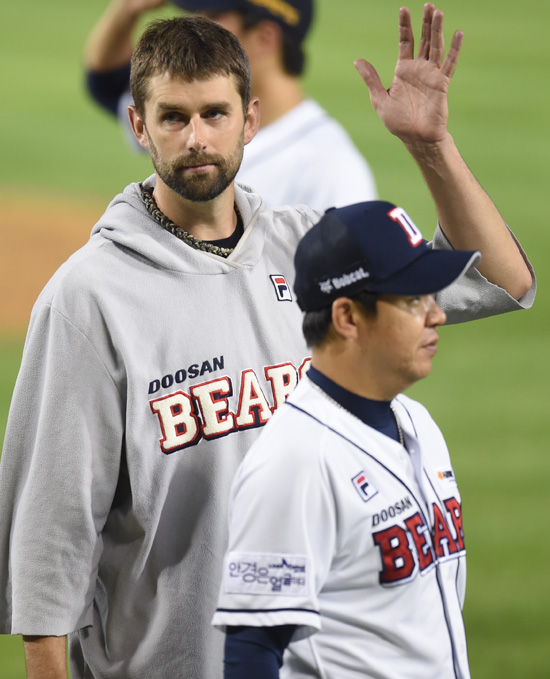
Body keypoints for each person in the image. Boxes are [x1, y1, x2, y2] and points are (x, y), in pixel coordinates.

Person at [0, 6, 534, 679]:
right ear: (140, 126)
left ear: (250, 119)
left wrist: (432, 147)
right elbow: (48, 546)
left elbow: (495, 280)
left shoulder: (306, 248)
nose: (197, 137)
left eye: (215, 114)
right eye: (173, 117)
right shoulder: (89, 299)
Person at [212, 200, 482, 679]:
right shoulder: (293, 463)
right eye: (414, 299)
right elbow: (252, 649)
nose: (437, 315)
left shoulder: (417, 423)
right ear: (348, 317)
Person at [83, 0, 378, 209]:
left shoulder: (332, 167)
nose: (197, 28)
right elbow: (107, 83)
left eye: (213, 17)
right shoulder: (186, 114)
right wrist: (127, 8)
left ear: (264, 38)